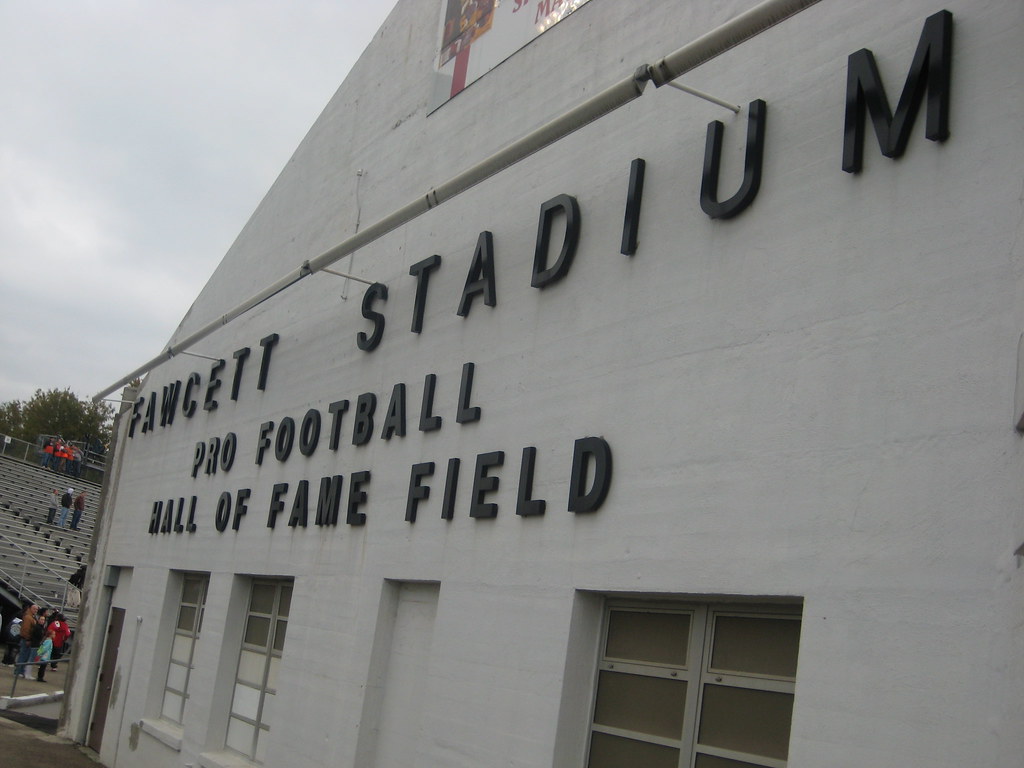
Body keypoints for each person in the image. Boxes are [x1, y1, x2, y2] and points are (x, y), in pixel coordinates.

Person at [13, 604, 38, 678]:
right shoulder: (28, 617)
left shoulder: (31, 617)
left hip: (29, 639)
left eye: (36, 609)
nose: (35, 611)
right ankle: (18, 671)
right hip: (26, 639)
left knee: (25, 656)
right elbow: (25, 629)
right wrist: (27, 639)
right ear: (30, 608)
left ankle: (20, 671)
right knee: (23, 656)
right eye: (34, 609)